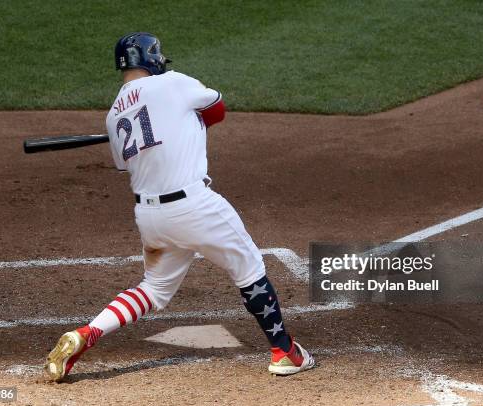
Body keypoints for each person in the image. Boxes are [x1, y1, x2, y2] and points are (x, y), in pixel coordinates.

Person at [44, 32, 314, 382]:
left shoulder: (113, 116)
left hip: (152, 218)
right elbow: (217, 109)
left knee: (153, 290)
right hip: (196, 207)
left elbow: (128, 164)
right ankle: (285, 352)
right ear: (150, 58)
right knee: (249, 267)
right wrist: (191, 121)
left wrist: (179, 125)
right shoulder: (172, 83)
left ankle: (86, 334)